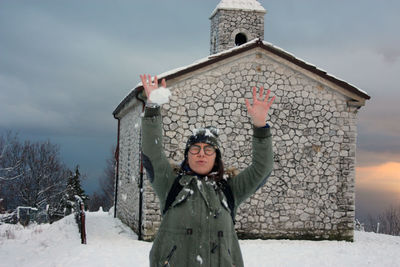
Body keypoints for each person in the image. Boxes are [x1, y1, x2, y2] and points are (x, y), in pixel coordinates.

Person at [140, 74, 275, 267]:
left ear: (216, 157)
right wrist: (152, 107)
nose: (201, 154)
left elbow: (262, 168)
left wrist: (260, 126)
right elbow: (152, 153)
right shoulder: (170, 184)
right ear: (187, 155)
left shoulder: (230, 190)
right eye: (195, 149)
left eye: (208, 149)